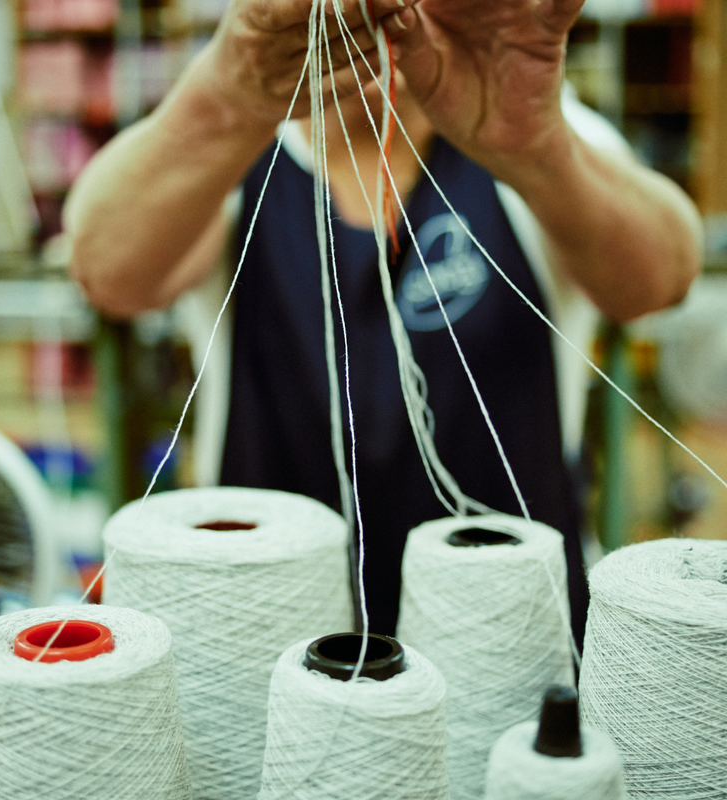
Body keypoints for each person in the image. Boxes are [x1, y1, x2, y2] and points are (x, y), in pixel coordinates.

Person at [64, 0, 702, 649]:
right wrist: (232, 97)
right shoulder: (223, 157)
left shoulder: (544, 137)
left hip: (509, 649)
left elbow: (662, 279)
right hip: (269, 646)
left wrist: (537, 149)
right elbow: (106, 273)